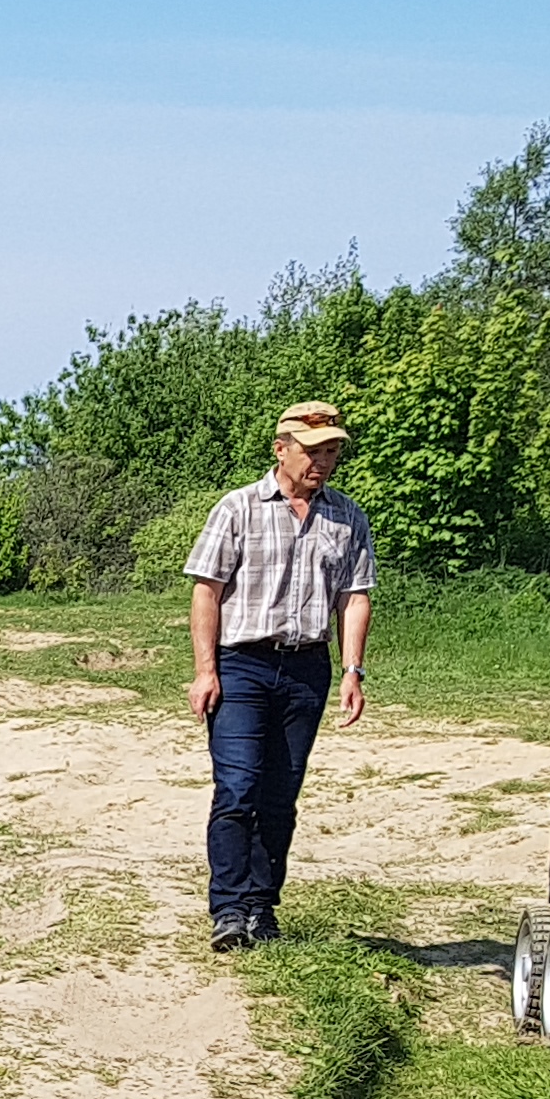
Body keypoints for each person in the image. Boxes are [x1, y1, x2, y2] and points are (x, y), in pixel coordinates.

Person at [185, 399, 376, 949]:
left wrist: (352, 670)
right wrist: (206, 671)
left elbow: (355, 596)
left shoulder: (346, 516)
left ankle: (262, 908)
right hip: (242, 664)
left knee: (279, 794)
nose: (323, 461)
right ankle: (228, 908)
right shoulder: (238, 509)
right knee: (238, 787)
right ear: (281, 449)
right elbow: (207, 592)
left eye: (333, 451)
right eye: (313, 451)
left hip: (306, 668)